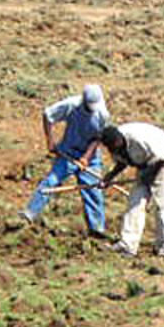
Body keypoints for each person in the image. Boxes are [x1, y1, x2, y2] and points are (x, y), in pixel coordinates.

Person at [20, 84, 110, 238]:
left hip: (90, 157)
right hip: (68, 152)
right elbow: (48, 115)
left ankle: (97, 229)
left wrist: (86, 158)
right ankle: (29, 214)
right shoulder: (71, 105)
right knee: (51, 182)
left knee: (93, 190)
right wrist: (50, 141)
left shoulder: (102, 114)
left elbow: (98, 138)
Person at [97, 121, 164, 258]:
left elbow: (160, 157)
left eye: (115, 146)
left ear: (119, 139)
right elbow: (123, 162)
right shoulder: (113, 146)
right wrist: (109, 177)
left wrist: (147, 177)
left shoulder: (138, 139)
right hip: (145, 164)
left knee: (162, 206)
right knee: (134, 203)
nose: (114, 149)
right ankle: (128, 244)